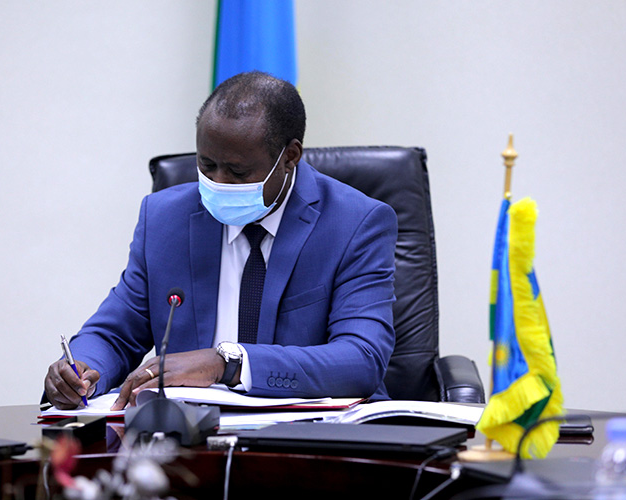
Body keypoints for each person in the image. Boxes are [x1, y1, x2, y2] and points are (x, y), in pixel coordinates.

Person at [44, 71, 397, 410]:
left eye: (238, 171)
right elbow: (114, 333)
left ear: (290, 157)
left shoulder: (355, 223)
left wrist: (227, 363)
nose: (218, 182)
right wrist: (82, 370)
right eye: (206, 165)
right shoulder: (166, 219)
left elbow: (361, 359)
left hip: (315, 440)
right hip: (192, 440)